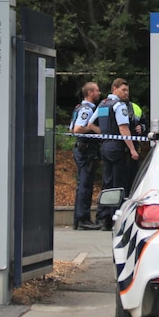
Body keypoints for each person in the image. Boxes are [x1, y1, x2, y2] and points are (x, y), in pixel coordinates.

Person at [94, 78, 140, 231]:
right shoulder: (119, 106)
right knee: (119, 184)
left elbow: (89, 124)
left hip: (105, 146)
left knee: (107, 183)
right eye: (123, 90)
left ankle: (104, 219)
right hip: (118, 148)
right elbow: (123, 129)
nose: (126, 93)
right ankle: (117, 220)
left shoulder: (103, 104)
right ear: (115, 89)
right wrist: (132, 149)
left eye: (127, 90)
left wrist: (105, 134)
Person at [69, 81, 102, 231]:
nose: (99, 93)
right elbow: (76, 129)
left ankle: (79, 219)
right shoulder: (87, 110)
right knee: (85, 185)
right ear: (90, 93)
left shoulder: (79, 107)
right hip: (86, 150)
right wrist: (91, 127)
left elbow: (70, 128)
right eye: (97, 91)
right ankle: (83, 219)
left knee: (81, 184)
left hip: (81, 149)